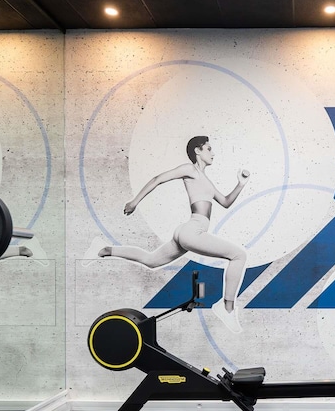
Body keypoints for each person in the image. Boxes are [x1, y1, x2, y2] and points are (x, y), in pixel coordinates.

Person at [97, 136, 249, 333]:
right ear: (198, 151)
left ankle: (107, 249)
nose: (213, 153)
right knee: (239, 255)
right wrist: (134, 202)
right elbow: (158, 179)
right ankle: (227, 308)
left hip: (187, 232)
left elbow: (226, 202)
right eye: (209, 149)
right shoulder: (190, 170)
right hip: (192, 231)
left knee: (151, 261)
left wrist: (241, 184)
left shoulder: (207, 182)